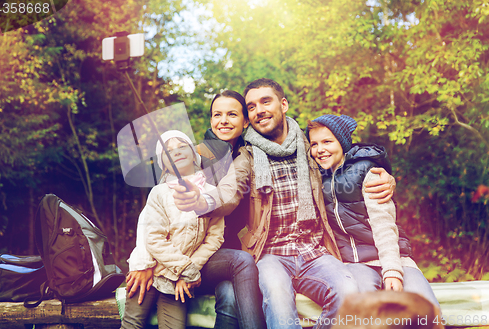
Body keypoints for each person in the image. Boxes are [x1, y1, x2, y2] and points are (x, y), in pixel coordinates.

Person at [171, 78, 396, 329]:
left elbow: (348, 157)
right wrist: (201, 200)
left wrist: (379, 170)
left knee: (348, 292)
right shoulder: (247, 156)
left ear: (284, 104)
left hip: (315, 251)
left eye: (265, 102)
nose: (259, 110)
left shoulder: (309, 145)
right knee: (277, 303)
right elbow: (227, 192)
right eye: (252, 106)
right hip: (271, 254)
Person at [125, 92, 267, 329]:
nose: (223, 120)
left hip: (216, 252)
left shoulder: (250, 155)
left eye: (232, 114)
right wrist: (144, 262)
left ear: (245, 121)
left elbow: (230, 204)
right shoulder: (193, 153)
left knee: (230, 296)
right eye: (217, 114)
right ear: (210, 120)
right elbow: (150, 220)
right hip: (181, 256)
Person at [306, 114, 439, 308]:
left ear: (342, 143)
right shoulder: (315, 176)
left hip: (393, 256)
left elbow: (384, 225)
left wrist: (392, 271)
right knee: (365, 311)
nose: (320, 150)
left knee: (426, 309)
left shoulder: (368, 172)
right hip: (354, 263)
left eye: (327, 141)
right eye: (314, 144)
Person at [120, 130, 225, 329]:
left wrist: (188, 271)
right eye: (168, 151)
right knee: (132, 324)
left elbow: (214, 238)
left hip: (177, 281)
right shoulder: (159, 193)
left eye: (182, 146)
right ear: (163, 163)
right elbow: (153, 237)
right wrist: (184, 268)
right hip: (151, 270)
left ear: (194, 154)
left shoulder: (212, 194)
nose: (176, 152)